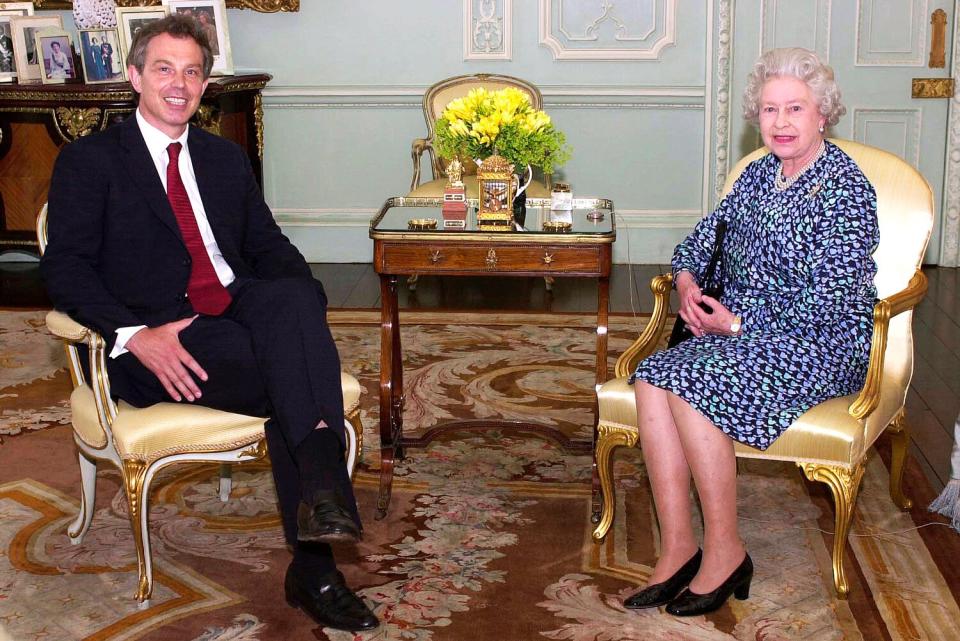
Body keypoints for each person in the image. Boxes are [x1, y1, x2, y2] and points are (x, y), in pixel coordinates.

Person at [40, 15, 378, 633]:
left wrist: (304, 297)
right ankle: (317, 558)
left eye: (192, 71)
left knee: (292, 300)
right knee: (291, 373)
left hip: (233, 306)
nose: (179, 83)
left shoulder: (224, 160)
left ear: (204, 86)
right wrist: (133, 336)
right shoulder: (90, 162)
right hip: (158, 338)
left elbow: (269, 247)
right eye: (164, 69)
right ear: (135, 75)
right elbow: (65, 269)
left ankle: (318, 527)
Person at [623, 47, 878, 617]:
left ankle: (726, 551)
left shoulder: (844, 188)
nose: (780, 123)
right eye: (769, 110)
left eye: (794, 109)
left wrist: (736, 323)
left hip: (818, 344)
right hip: (743, 334)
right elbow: (696, 244)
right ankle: (679, 548)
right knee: (650, 377)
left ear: (823, 114)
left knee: (692, 385)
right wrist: (689, 288)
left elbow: (831, 304)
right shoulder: (758, 174)